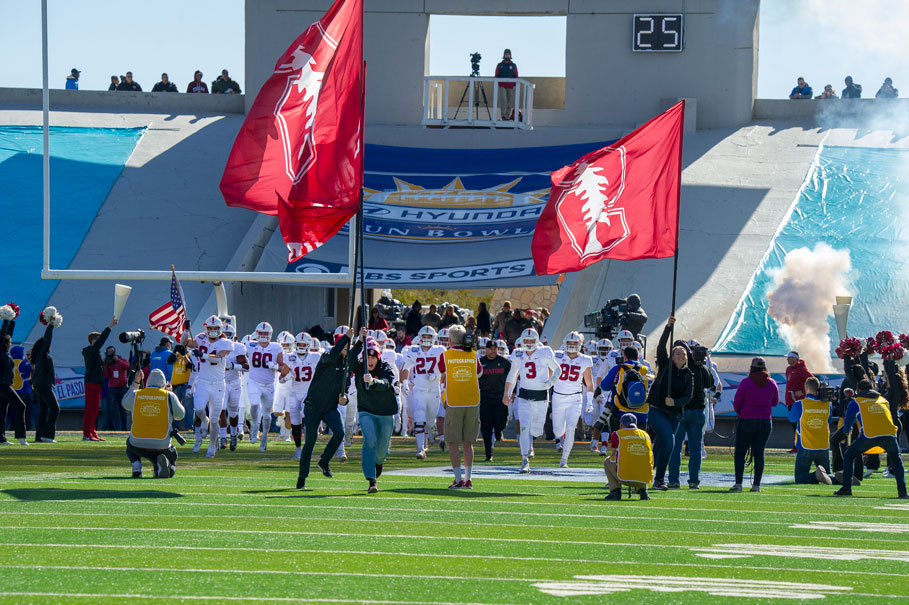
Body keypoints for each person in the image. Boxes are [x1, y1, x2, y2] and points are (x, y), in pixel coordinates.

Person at [296, 326, 353, 489]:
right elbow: (334, 354)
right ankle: (302, 478)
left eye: (346, 347)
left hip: (329, 407)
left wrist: (345, 399)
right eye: (342, 346)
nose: (344, 349)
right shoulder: (327, 356)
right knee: (310, 442)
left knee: (340, 432)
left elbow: (346, 390)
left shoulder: (347, 366)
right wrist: (345, 338)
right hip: (313, 406)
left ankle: (324, 461)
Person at [835, 379, 907, 498]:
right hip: (889, 434)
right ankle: (903, 492)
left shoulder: (856, 402)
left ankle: (846, 488)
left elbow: (848, 422)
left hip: (870, 436)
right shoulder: (883, 400)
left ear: (859, 390)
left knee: (848, 455)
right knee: (897, 461)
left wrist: (846, 432)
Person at [503, 328, 560, 473]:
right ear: (522, 341)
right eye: (526, 341)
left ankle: (529, 448)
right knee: (524, 427)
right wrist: (507, 393)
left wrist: (551, 382)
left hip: (541, 395)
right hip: (524, 396)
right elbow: (512, 376)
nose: (528, 344)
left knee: (535, 430)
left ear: (537, 341)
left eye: (531, 341)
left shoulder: (545, 352)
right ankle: (524, 459)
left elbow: (557, 369)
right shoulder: (517, 354)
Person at [646, 317, 693, 490]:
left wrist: (675, 402)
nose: (680, 355)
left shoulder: (689, 375)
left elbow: (688, 397)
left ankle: (650, 475)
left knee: (661, 447)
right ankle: (658, 478)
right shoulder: (666, 366)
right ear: (672, 356)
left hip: (674, 415)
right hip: (657, 411)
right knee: (669, 443)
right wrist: (668, 328)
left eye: (683, 354)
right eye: (677, 353)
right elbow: (660, 347)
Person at [349, 329, 398, 493]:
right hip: (366, 410)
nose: (370, 361)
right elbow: (349, 360)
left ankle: (378, 461)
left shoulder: (386, 367)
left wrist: (374, 382)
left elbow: (387, 382)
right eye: (367, 357)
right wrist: (359, 342)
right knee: (370, 441)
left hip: (385, 412)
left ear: (378, 357)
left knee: (382, 450)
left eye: (373, 357)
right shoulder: (359, 367)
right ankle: (371, 479)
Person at [438, 325, 483, 488]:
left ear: (450, 340)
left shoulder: (446, 355)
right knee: (468, 442)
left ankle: (458, 479)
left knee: (453, 442)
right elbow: (479, 372)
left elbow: (441, 370)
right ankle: (468, 478)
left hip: (454, 401)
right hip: (472, 401)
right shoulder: (473, 354)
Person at [183, 316, 234, 458]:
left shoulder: (226, 343)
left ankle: (212, 445)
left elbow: (218, 357)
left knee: (215, 418)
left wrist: (203, 355)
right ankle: (204, 421)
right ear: (206, 329)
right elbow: (185, 343)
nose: (212, 331)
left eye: (215, 328)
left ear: (220, 329)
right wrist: (185, 330)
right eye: (210, 328)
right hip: (203, 381)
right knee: (198, 409)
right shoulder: (200, 338)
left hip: (218, 383)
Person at [121, 369, 184, 478]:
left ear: (147, 383)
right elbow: (180, 415)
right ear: (164, 384)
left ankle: (136, 466)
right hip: (161, 443)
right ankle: (162, 465)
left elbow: (125, 404)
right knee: (172, 456)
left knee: (129, 444)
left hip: (137, 442)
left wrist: (136, 383)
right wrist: (170, 394)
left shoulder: (137, 394)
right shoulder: (168, 396)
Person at [667, 342, 713, 489]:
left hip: (680, 411)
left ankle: (674, 479)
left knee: (676, 447)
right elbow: (710, 382)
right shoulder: (699, 366)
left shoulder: (674, 370)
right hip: (698, 411)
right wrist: (705, 363)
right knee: (695, 448)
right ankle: (694, 481)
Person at [731, 356, 779, 493]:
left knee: (740, 453)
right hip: (765, 422)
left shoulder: (746, 382)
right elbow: (775, 402)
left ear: (752, 368)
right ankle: (756, 485)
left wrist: (742, 413)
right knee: (759, 453)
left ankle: (739, 484)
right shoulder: (772, 383)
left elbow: (737, 403)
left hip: (747, 420)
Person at [551, 332, 594, 468]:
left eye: (574, 343)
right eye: (569, 343)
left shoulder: (585, 360)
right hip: (558, 397)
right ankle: (560, 437)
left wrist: (590, 401)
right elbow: (548, 376)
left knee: (571, 428)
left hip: (575, 397)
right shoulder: (557, 356)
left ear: (579, 344)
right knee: (558, 431)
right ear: (565, 344)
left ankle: (564, 459)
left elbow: (590, 383)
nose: (571, 345)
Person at [402, 326, 445, 458]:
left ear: (434, 338)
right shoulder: (413, 350)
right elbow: (406, 367)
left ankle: (433, 431)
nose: (426, 339)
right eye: (424, 336)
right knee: (419, 418)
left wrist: (438, 378)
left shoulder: (440, 350)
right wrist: (404, 382)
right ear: (420, 337)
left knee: (431, 420)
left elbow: (446, 369)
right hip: (419, 389)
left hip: (434, 390)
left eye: (429, 336)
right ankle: (420, 449)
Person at [242, 322, 284, 449]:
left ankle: (264, 437)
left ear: (270, 334)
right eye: (262, 333)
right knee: (254, 404)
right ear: (257, 333)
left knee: (266, 414)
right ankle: (255, 425)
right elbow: (240, 358)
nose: (264, 335)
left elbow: (283, 367)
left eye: (266, 333)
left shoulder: (276, 347)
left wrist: (276, 366)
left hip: (269, 384)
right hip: (254, 381)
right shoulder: (249, 345)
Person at [788, 377, 833, 484]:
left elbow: (791, 418)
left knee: (800, 477)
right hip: (823, 445)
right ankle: (840, 477)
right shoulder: (828, 404)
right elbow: (829, 421)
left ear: (806, 388)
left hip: (806, 446)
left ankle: (816, 476)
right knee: (828, 475)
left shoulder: (800, 404)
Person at [81, 317, 119, 441]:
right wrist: (110, 326)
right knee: (90, 409)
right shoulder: (90, 351)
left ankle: (92, 432)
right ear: (93, 341)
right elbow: (101, 341)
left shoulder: (94, 353)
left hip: (96, 383)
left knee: (95, 409)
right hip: (92, 382)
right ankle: (87, 434)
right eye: (97, 340)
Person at [604, 413, 653, 501]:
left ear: (621, 424)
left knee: (607, 461)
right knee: (642, 459)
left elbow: (614, 454)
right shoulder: (645, 435)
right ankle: (643, 491)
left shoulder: (617, 434)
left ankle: (615, 491)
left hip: (624, 477)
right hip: (644, 479)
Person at [31, 307, 63, 443]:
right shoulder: (42, 355)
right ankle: (48, 435)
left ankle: (39, 437)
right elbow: (48, 339)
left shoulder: (42, 356)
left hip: (40, 385)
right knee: (55, 408)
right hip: (43, 386)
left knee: (44, 410)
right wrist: (51, 325)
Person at [478, 338, 510, 461]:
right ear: (485, 349)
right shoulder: (480, 362)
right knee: (486, 427)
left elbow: (512, 376)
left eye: (495, 349)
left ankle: (498, 431)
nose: (493, 351)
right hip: (485, 397)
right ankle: (488, 454)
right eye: (490, 349)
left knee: (501, 422)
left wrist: (510, 392)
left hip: (500, 397)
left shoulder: (504, 362)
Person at [0, 303, 28, 446]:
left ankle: (1, 438)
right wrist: (5, 319)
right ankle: (21, 437)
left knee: (2, 412)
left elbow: (7, 334)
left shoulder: (5, 353)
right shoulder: (0, 350)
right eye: (9, 342)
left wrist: (13, 318)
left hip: (4, 384)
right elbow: (3, 334)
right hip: (2, 385)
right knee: (21, 406)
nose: (10, 344)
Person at [785, 351, 813, 453]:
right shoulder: (789, 369)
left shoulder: (802, 370)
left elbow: (813, 381)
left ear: (795, 359)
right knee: (793, 424)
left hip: (799, 402)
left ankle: (800, 445)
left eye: (789, 357)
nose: (787, 359)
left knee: (798, 424)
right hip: (790, 401)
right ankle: (797, 445)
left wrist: (802, 392)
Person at [103, 345, 131, 430]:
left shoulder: (121, 359)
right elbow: (105, 375)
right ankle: (110, 428)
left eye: (112, 351)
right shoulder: (108, 363)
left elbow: (127, 366)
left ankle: (124, 429)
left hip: (122, 387)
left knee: (123, 409)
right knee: (110, 409)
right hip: (112, 388)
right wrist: (105, 365)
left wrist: (117, 360)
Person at [494, 49, 519, 120]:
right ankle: (503, 115)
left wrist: (515, 85)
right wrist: (497, 84)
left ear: (510, 55)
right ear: (504, 55)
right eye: (506, 54)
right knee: (503, 100)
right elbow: (496, 75)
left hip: (511, 86)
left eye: (508, 54)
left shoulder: (513, 65)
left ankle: (507, 115)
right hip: (502, 85)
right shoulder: (500, 65)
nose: (507, 55)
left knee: (510, 102)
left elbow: (516, 76)